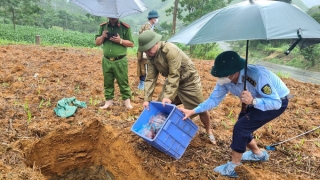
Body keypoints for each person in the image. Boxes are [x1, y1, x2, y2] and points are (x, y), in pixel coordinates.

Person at [179, 51, 290, 178]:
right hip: (252, 102)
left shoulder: (257, 76)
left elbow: (275, 102)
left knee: (241, 128)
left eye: (223, 75)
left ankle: (234, 166)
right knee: (242, 126)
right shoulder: (225, 79)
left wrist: (253, 101)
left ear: (234, 72)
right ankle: (258, 154)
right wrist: (193, 111)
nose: (220, 78)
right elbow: (213, 100)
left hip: (274, 103)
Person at [138, 30, 215, 144]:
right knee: (162, 106)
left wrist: (168, 95)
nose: (148, 53)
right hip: (173, 81)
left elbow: (175, 74)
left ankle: (209, 130)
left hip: (188, 81)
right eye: (146, 51)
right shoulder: (151, 55)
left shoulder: (170, 50)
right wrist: (147, 99)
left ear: (156, 43)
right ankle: (157, 132)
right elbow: (151, 77)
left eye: (149, 49)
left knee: (199, 107)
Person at [95, 17, 134, 109]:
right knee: (107, 81)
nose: (112, 18)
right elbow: (97, 43)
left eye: (114, 17)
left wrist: (120, 40)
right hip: (107, 60)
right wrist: (103, 36)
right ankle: (108, 102)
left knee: (123, 81)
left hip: (120, 60)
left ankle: (127, 102)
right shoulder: (103, 27)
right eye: (110, 16)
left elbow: (131, 43)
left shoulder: (125, 27)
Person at [136, 10, 159, 90]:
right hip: (145, 50)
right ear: (152, 18)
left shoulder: (152, 27)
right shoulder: (146, 26)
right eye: (156, 18)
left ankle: (146, 83)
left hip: (150, 50)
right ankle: (142, 83)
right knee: (143, 66)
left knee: (149, 66)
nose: (156, 19)